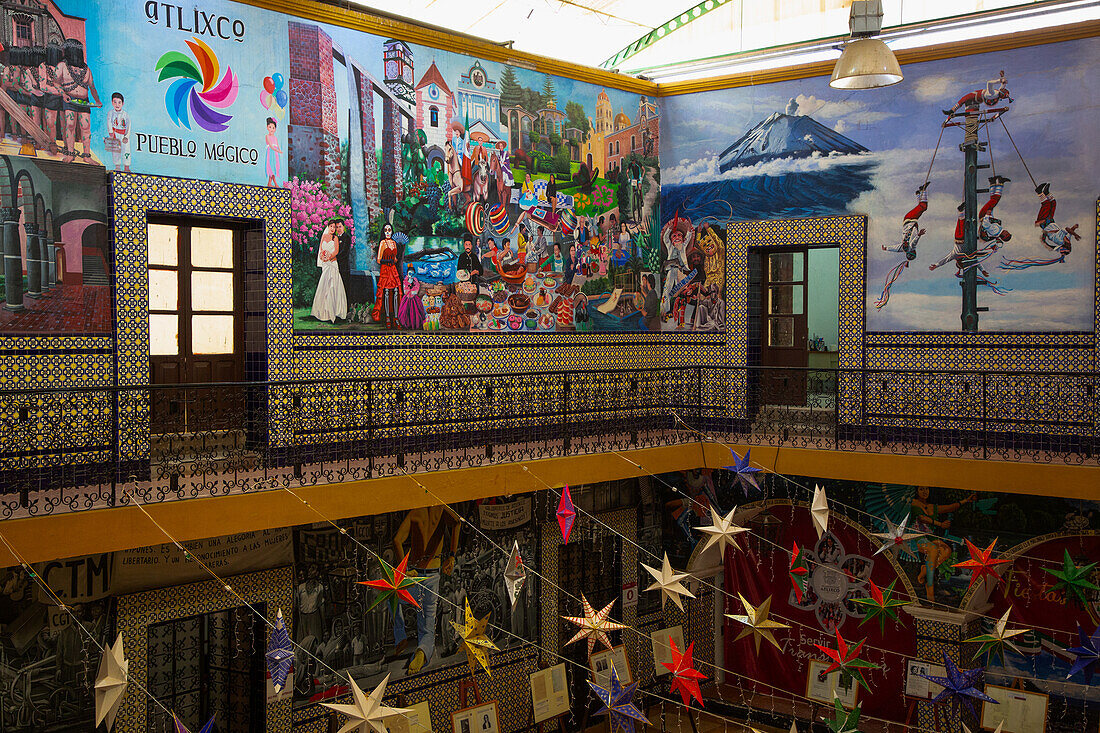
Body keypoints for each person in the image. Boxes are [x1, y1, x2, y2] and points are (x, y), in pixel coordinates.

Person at [391, 505, 461, 675]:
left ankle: (400, 637)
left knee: (392, 594)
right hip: (432, 575)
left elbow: (396, 540)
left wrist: (404, 570)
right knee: (427, 627)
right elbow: (457, 523)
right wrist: (451, 555)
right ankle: (421, 652)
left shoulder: (414, 513)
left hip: (414, 574)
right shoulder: (442, 510)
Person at [911, 487, 976, 601]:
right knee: (933, 550)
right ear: (916, 491)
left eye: (927, 489)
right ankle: (930, 589)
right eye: (921, 489)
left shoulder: (931, 506)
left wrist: (965, 501)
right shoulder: (913, 503)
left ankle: (925, 571)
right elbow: (922, 518)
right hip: (915, 537)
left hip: (929, 537)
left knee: (946, 550)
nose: (925, 492)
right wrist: (940, 524)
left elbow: (949, 508)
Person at [310, 219, 348, 323]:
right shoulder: (324, 236)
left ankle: (335, 311)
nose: (333, 229)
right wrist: (323, 256)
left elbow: (336, 251)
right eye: (331, 226)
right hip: (325, 264)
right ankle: (323, 311)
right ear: (328, 227)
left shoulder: (335, 238)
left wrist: (329, 257)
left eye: (334, 227)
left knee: (333, 285)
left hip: (333, 263)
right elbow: (321, 249)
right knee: (324, 285)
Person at [883, 182, 930, 260]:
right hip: (907, 220)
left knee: (923, 207)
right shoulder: (902, 249)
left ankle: (923, 190)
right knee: (920, 208)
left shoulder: (911, 248)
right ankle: (918, 194)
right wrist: (886, 248)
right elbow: (895, 248)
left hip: (911, 219)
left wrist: (919, 235)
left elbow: (914, 242)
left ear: (913, 252)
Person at [1033, 182, 1081, 254]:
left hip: (1044, 222)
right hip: (1050, 220)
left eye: (1069, 246)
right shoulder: (1067, 239)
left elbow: (1067, 229)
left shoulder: (1059, 240)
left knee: (1046, 204)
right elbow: (1070, 231)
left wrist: (1076, 235)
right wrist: (1074, 227)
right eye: (1070, 246)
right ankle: (1046, 192)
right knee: (1053, 203)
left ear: (1065, 245)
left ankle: (1039, 192)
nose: (1070, 243)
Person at [944, 70, 1011, 116]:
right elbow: (1003, 85)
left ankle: (952, 110)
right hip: (980, 99)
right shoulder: (997, 94)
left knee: (964, 99)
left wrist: (999, 80)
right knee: (967, 104)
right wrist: (1002, 78)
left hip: (977, 95)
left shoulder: (993, 93)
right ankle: (953, 110)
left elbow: (989, 83)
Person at [375, 222, 402, 329]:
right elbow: (378, 260)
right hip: (385, 270)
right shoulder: (382, 243)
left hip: (393, 269)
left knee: (395, 291)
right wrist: (387, 260)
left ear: (392, 231)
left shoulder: (394, 243)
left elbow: (395, 259)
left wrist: (395, 258)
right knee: (386, 291)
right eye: (385, 230)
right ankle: (387, 317)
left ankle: (395, 317)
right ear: (383, 231)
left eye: (389, 230)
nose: (387, 232)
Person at [296, 565, 326, 642]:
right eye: (309, 569)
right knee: (302, 640)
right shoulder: (300, 587)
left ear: (317, 573)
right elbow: (297, 604)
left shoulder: (320, 588)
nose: (309, 571)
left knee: (314, 640)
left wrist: (323, 624)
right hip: (303, 617)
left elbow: (321, 605)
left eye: (313, 569)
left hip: (314, 617)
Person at [106, 92, 131, 172]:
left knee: (126, 150)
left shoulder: (125, 115)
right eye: (115, 102)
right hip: (114, 134)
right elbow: (109, 122)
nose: (117, 104)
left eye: (119, 102)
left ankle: (126, 167)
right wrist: (111, 132)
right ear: (112, 102)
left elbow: (128, 126)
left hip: (123, 135)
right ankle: (117, 166)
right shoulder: (110, 113)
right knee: (116, 150)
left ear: (122, 103)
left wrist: (126, 137)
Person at [264, 117, 282, 187]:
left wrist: (279, 151)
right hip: (270, 153)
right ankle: (275, 184)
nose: (271, 129)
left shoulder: (275, 137)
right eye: (270, 127)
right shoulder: (267, 136)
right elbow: (271, 146)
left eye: (273, 128)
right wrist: (278, 150)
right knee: (271, 167)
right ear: (267, 127)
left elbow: (277, 145)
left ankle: (270, 183)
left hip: (275, 154)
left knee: (274, 168)